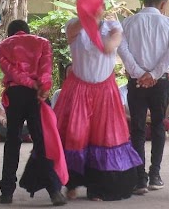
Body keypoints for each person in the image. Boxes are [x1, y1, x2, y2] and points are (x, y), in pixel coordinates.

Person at [55, 12, 142, 201]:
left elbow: (110, 46)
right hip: (78, 89)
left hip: (104, 92)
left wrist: (104, 28)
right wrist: (87, 20)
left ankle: (98, 188)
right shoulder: (74, 25)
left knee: (104, 139)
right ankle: (71, 183)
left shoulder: (113, 27)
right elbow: (72, 31)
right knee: (75, 137)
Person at [118, 0, 169, 194]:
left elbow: (122, 50)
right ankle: (155, 175)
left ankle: (139, 179)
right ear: (163, 4)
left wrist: (139, 74)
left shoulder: (127, 23)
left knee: (136, 128)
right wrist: (153, 75)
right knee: (157, 126)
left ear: (144, 0)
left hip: (136, 83)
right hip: (160, 82)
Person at [0, 20, 66, 206]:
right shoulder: (42, 42)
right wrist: (42, 87)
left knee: (12, 141)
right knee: (42, 142)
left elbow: (10, 72)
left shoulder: (3, 46)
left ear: (11, 33)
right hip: (37, 97)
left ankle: (7, 192)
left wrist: (29, 83)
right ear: (27, 31)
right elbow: (46, 70)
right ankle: (54, 191)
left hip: (15, 95)